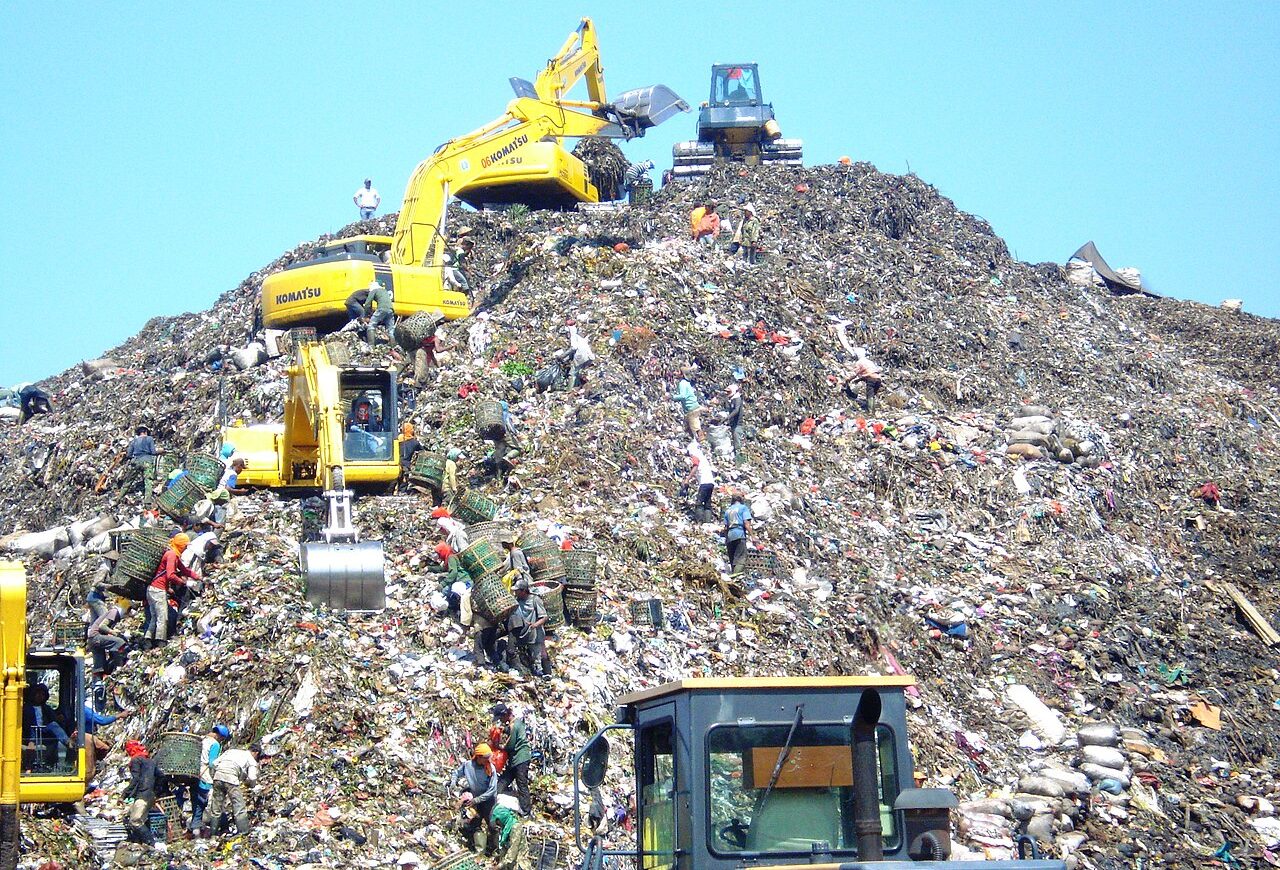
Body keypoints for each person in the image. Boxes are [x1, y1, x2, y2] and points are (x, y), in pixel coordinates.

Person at [147, 533, 197, 648]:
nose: (185, 548)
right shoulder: (172, 555)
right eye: (184, 546)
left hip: (153, 589)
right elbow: (170, 575)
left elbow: (185, 570)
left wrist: (198, 577)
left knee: (155, 617)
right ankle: (161, 642)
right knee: (162, 617)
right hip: (158, 590)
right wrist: (183, 582)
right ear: (180, 545)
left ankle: (148, 641)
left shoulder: (174, 554)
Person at [178, 724, 227, 836]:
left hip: (193, 775)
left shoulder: (200, 740)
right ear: (219, 736)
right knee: (212, 804)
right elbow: (212, 763)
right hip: (205, 777)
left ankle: (196, 831)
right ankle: (219, 829)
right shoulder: (215, 744)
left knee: (197, 804)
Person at [206, 741, 261, 836]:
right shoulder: (250, 758)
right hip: (231, 780)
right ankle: (244, 832)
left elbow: (214, 764)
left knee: (216, 808)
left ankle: (213, 834)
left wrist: (214, 777)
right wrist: (251, 785)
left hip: (217, 777)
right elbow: (252, 777)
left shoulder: (231, 751)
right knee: (239, 806)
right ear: (256, 753)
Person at [454, 744, 500, 854]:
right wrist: (453, 782)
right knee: (475, 824)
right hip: (475, 800)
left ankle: (497, 850)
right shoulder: (468, 766)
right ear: (479, 757)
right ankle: (479, 851)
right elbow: (456, 773)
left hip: (488, 801)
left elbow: (492, 790)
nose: (489, 759)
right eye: (486, 757)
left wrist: (476, 800)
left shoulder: (491, 768)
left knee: (493, 825)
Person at [491, 703, 532, 815]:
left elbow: (510, 745)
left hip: (521, 758)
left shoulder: (515, 725)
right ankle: (493, 799)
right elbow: (509, 730)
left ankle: (526, 811)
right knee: (504, 779)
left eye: (501, 718)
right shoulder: (516, 722)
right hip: (515, 759)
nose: (501, 720)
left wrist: (499, 748)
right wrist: (502, 729)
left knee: (521, 783)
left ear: (505, 715)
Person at [506, 579, 550, 680]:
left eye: (517, 591)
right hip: (523, 631)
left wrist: (534, 625)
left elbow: (544, 617)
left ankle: (546, 674)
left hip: (535, 632)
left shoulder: (535, 600)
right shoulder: (517, 600)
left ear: (523, 591)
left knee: (538, 656)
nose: (515, 592)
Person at [83, 699, 131, 785]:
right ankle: (90, 774)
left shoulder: (79, 708)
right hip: (83, 737)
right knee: (104, 748)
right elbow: (102, 721)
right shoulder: (84, 710)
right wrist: (120, 715)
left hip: (83, 735)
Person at [22, 684, 71, 764]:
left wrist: (59, 718)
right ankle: (31, 742)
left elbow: (53, 718)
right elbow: (26, 723)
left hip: (44, 730)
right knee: (31, 727)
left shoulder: (45, 708)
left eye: (42, 695)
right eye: (38, 694)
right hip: (31, 731)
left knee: (53, 725)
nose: (40, 696)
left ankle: (68, 742)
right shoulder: (26, 708)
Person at [123, 741, 159, 845]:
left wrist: (125, 794)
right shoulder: (151, 761)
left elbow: (135, 779)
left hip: (142, 795)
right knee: (139, 819)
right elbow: (161, 775)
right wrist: (156, 791)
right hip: (150, 795)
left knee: (135, 820)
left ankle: (151, 843)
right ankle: (139, 843)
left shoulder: (136, 760)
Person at [87, 598, 131, 675]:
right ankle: (119, 665)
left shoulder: (116, 614)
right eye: (128, 610)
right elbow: (102, 626)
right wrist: (114, 632)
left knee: (100, 668)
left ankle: (98, 684)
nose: (127, 613)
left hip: (92, 640)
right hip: (96, 637)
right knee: (120, 642)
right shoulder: (114, 612)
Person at [123, 425, 164, 498]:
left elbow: (128, 454)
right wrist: (161, 451)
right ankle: (147, 501)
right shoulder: (149, 439)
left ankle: (118, 499)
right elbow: (153, 452)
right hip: (147, 462)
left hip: (135, 462)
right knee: (148, 482)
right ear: (145, 432)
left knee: (128, 482)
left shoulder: (133, 441)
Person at [491, 794, 527, 870]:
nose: (498, 824)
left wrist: (500, 865)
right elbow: (504, 846)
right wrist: (498, 856)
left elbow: (513, 848)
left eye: (498, 821)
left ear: (503, 818)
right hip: (509, 862)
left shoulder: (515, 827)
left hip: (518, 863)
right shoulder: (506, 828)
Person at [683, 440, 716, 523]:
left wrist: (687, 479)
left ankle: (699, 522)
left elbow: (695, 467)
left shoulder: (695, 455)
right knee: (707, 504)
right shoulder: (702, 457)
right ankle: (708, 523)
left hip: (704, 483)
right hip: (711, 483)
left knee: (699, 503)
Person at [723, 490, 753, 576]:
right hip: (739, 534)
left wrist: (726, 539)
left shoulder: (728, 510)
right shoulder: (743, 508)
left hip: (730, 536)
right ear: (741, 499)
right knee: (740, 559)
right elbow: (746, 524)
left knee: (733, 560)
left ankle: (732, 578)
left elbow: (726, 528)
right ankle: (734, 580)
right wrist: (753, 537)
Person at [846, 347, 883, 415]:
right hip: (878, 379)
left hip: (871, 379)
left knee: (870, 395)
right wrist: (859, 379)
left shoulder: (859, 362)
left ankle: (870, 412)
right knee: (872, 395)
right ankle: (873, 411)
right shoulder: (869, 361)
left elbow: (854, 374)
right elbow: (871, 372)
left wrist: (848, 379)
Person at [559, 323, 596, 389]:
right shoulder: (579, 338)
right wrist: (565, 359)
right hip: (588, 357)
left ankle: (569, 391)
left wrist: (563, 356)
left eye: (567, 333)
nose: (566, 335)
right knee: (577, 373)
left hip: (581, 357)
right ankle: (577, 388)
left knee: (572, 374)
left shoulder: (573, 337)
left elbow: (574, 348)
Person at [364, 279, 395, 345]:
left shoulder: (374, 290)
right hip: (390, 309)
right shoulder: (384, 291)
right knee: (391, 329)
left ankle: (371, 345)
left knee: (371, 325)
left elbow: (367, 304)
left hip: (382, 308)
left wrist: (367, 315)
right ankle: (393, 346)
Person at [673, 369, 703, 437]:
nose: (675, 373)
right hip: (694, 406)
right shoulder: (686, 382)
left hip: (691, 408)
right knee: (690, 428)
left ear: (682, 374)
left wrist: (672, 397)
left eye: (677, 371)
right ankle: (695, 441)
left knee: (696, 428)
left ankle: (702, 442)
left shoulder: (682, 384)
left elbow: (683, 396)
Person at [722, 383, 744, 459]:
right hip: (733, 424)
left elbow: (736, 410)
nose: (727, 393)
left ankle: (740, 460)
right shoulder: (732, 399)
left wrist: (727, 418)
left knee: (737, 443)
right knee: (734, 441)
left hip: (737, 424)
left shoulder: (737, 399)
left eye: (729, 392)